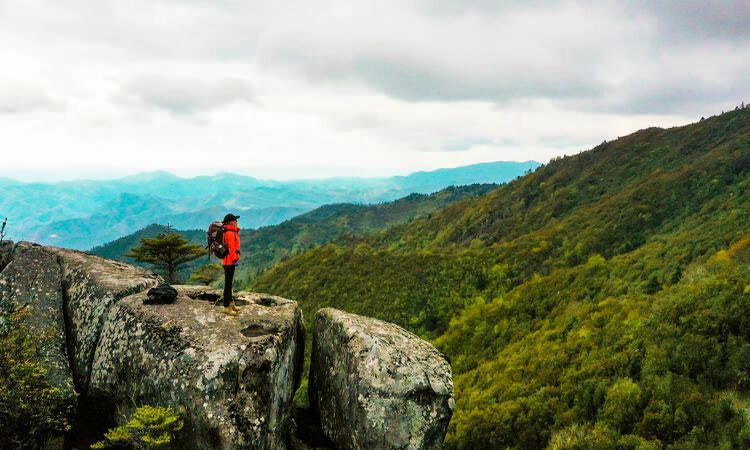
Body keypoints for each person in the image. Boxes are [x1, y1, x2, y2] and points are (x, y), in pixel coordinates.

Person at [221, 213, 241, 316]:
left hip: (229, 261)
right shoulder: (229, 233)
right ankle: (226, 307)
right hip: (229, 262)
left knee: (230, 284)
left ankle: (231, 303)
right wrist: (235, 260)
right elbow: (232, 249)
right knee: (228, 285)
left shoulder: (231, 231)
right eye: (235, 220)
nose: (237, 222)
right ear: (231, 222)